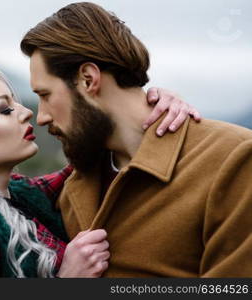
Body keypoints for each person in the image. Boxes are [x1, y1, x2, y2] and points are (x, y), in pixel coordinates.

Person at [20, 2, 252, 277]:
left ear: (87, 79)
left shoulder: (234, 159)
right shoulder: (72, 186)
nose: (42, 116)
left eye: (45, 95)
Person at [0, 65, 198, 278]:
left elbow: (92, 163)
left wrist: (151, 106)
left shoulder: (21, 196)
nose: (27, 111)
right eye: (5, 109)